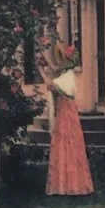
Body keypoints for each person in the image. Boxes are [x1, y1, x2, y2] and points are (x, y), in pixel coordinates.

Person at [44, 46, 93, 198]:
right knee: (65, 145)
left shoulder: (68, 76)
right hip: (65, 112)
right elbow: (54, 72)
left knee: (67, 145)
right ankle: (64, 184)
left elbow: (51, 85)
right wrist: (44, 57)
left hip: (66, 114)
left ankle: (70, 184)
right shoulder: (66, 75)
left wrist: (41, 71)